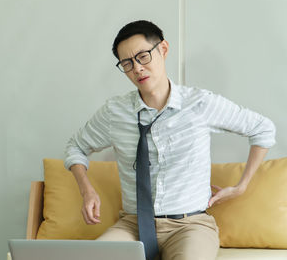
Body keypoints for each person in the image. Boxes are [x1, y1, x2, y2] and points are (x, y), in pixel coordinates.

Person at [64, 20, 276, 260]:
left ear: (163, 49)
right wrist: (87, 190)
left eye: (143, 56)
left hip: (190, 225)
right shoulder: (115, 112)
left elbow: (263, 129)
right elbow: (76, 147)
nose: (137, 68)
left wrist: (241, 186)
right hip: (132, 225)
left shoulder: (200, 104)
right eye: (127, 63)